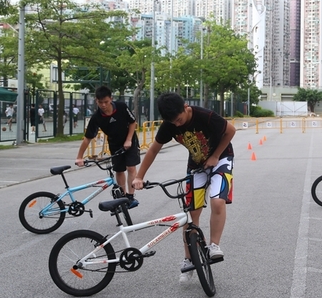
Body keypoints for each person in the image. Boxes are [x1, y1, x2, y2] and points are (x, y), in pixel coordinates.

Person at [132, 92, 235, 285]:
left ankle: (214, 246)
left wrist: (215, 156)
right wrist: (139, 176)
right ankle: (189, 259)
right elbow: (153, 150)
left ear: (186, 107)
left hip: (221, 159)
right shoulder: (170, 125)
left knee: (217, 201)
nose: (177, 125)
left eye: (179, 120)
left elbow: (230, 131)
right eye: (173, 122)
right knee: (190, 215)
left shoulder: (205, 116)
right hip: (196, 165)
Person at [75, 86, 141, 207]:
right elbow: (88, 138)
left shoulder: (121, 107)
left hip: (130, 140)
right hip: (114, 144)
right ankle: (123, 198)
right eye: (100, 102)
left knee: (131, 167)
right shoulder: (96, 117)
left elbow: (132, 122)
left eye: (106, 102)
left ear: (111, 99)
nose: (103, 105)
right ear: (96, 101)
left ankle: (130, 197)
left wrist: (128, 140)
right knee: (119, 170)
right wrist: (79, 157)